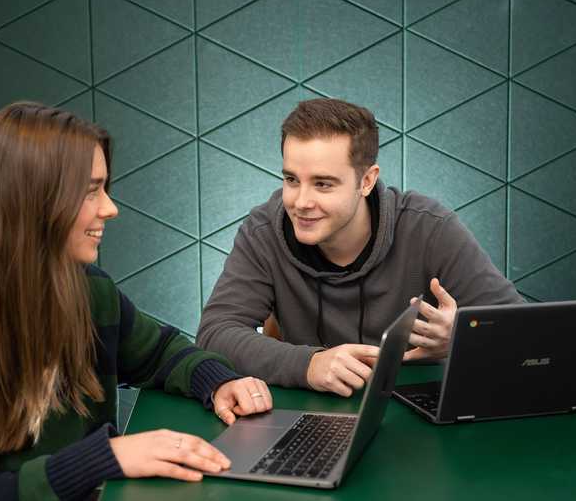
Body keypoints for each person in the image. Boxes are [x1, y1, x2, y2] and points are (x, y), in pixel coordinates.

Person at [0, 102, 273, 500]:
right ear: (28, 203)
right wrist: (109, 458)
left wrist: (217, 381)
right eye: (90, 191)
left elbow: (159, 351)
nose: (110, 208)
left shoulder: (86, 290)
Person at [197, 98, 521, 397]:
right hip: (310, 413)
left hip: (417, 422)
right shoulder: (263, 230)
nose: (301, 202)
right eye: (292, 180)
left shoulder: (429, 227)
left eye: (323, 184)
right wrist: (308, 364)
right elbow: (215, 333)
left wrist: (465, 336)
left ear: (366, 181)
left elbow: (525, 332)